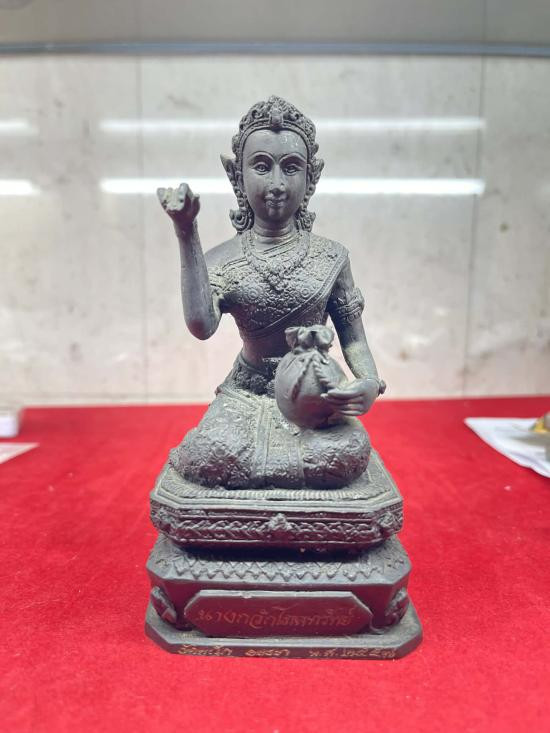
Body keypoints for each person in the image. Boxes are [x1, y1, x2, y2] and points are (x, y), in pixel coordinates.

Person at [157, 96, 385, 491]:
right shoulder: (222, 259)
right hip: (246, 395)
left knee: (350, 453)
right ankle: (289, 477)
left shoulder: (331, 257)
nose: (277, 185)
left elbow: (355, 340)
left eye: (291, 167)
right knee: (205, 453)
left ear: (311, 178)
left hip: (313, 398)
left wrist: (368, 382)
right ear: (237, 176)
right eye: (262, 166)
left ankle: (265, 476)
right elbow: (201, 326)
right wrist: (186, 231)